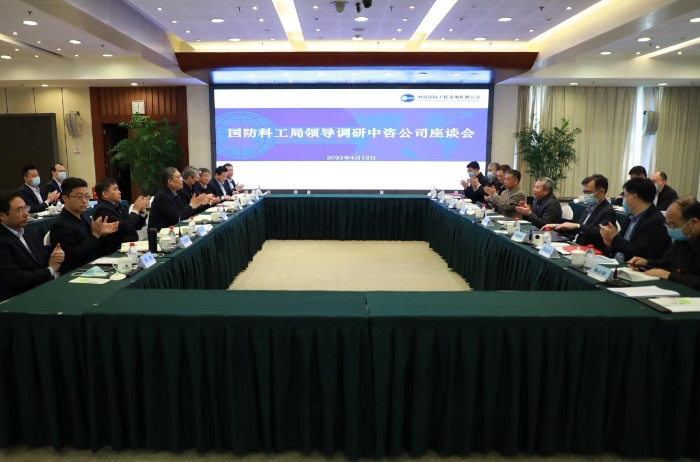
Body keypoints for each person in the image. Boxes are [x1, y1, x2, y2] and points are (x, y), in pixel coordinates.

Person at [0, 191, 65, 301]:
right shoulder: (2, 240)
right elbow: (16, 279)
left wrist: (54, 257)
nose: (26, 214)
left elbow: (40, 259)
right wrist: (50, 269)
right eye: (19, 210)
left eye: (26, 208)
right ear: (2, 215)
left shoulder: (28, 231)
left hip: (40, 288)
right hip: (16, 298)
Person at [628, 197, 700, 291]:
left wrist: (670, 275)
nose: (670, 229)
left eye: (673, 225)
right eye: (668, 224)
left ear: (693, 222)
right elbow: (668, 262)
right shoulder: (683, 239)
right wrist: (646, 263)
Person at [49, 177, 119, 273]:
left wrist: (101, 234)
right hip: (78, 272)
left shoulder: (84, 216)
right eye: (79, 197)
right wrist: (95, 235)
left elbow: (95, 245)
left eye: (86, 196)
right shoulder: (60, 225)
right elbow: (73, 257)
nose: (85, 201)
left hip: (96, 264)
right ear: (65, 198)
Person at [599, 177, 670, 262]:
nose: (623, 199)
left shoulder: (656, 221)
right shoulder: (632, 216)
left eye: (625, 196)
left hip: (633, 267)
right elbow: (621, 244)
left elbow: (639, 253)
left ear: (634, 198)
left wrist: (614, 238)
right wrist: (610, 243)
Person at [542, 174, 617, 251]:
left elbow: (600, 232)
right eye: (584, 192)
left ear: (601, 192)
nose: (586, 195)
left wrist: (577, 226)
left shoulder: (608, 211)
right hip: (574, 244)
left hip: (590, 250)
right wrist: (558, 226)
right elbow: (576, 228)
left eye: (588, 192)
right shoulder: (589, 207)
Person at [91, 178, 149, 254]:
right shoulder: (102, 209)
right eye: (115, 189)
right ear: (105, 194)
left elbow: (136, 226)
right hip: (116, 251)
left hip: (131, 247)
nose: (119, 192)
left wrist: (141, 211)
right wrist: (135, 210)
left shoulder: (120, 206)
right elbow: (125, 227)